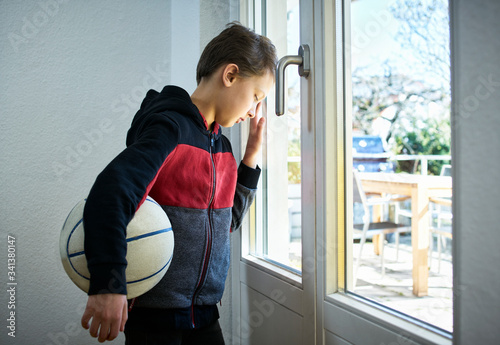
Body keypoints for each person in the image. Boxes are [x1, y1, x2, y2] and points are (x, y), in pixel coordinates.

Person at [80, 22, 277, 344]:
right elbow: (111, 193)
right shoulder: (169, 128)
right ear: (230, 75)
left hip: (205, 314)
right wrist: (108, 285)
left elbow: (228, 222)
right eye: (256, 96)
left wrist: (250, 158)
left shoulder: (223, 147)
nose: (255, 111)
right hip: (154, 320)